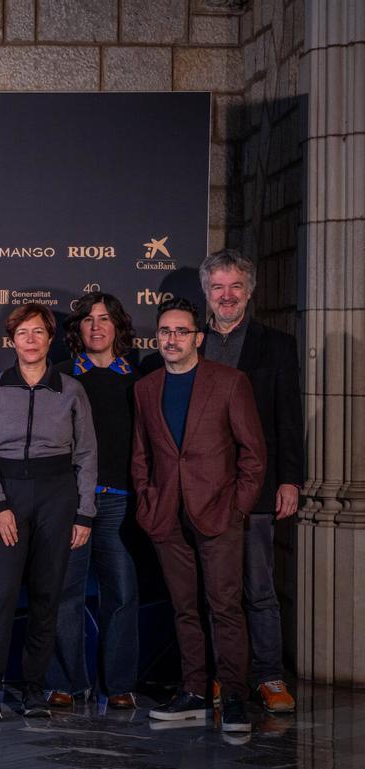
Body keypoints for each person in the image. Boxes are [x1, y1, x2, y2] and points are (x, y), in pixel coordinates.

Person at [133, 297, 265, 735]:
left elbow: (253, 455)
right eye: (165, 332)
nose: (172, 339)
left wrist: (238, 508)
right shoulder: (146, 387)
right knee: (184, 608)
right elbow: (141, 455)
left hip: (219, 513)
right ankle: (192, 691)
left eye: (181, 332)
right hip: (167, 514)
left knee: (225, 606)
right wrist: (148, 501)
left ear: (198, 338)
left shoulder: (229, 382)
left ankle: (233, 697)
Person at [0, 302, 97, 721]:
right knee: (2, 594)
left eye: (38, 332)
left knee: (47, 595)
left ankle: (33, 690)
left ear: (50, 338)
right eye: (22, 333)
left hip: (57, 496)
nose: (30, 340)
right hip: (7, 493)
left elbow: (86, 454)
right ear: (11, 340)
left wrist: (84, 513)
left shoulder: (71, 391)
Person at [198, 249, 302, 714]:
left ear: (250, 291)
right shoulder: (190, 341)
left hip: (257, 487)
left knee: (258, 587)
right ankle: (224, 676)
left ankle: (269, 677)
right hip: (202, 488)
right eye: (218, 286)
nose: (226, 295)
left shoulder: (275, 345)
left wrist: (290, 481)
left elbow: (287, 418)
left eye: (235, 286)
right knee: (215, 589)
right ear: (207, 292)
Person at [46, 292, 141, 711]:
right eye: (88, 320)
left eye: (105, 319)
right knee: (66, 593)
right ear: (77, 329)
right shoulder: (62, 378)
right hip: (72, 503)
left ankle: (118, 684)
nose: (97, 326)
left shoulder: (139, 380)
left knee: (120, 593)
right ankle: (66, 682)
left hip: (121, 502)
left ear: (118, 326)